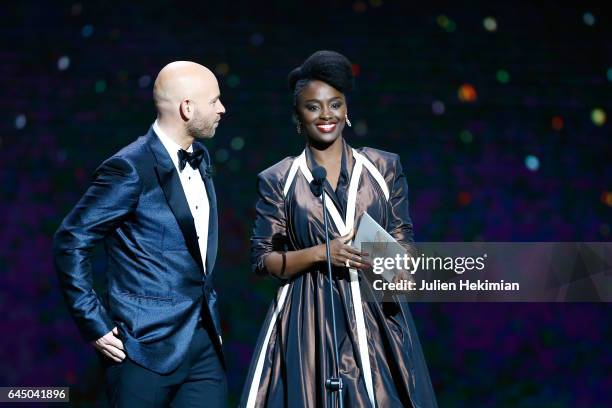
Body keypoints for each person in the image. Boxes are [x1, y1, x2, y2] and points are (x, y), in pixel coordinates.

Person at [241, 51, 438, 407]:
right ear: (298, 116)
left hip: (377, 315)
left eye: (335, 105)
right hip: (308, 317)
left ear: (347, 111)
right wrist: (320, 253)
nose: (326, 115)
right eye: (313, 107)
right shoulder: (279, 178)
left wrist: (400, 266)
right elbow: (261, 259)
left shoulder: (383, 166)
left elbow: (402, 239)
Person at [54, 61, 227, 407]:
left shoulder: (200, 158)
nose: (222, 109)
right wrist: (95, 324)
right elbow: (71, 240)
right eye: (215, 101)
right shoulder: (130, 168)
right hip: (144, 348)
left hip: (203, 344)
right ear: (187, 108)